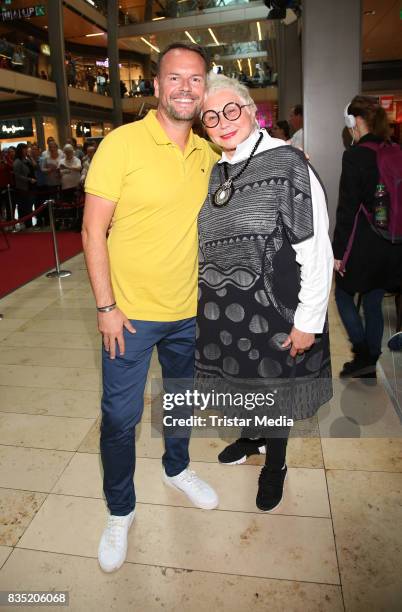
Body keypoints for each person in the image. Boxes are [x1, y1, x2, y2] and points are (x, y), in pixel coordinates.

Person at [82, 42, 219, 574]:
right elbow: (93, 229)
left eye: (196, 79)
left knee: (181, 399)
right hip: (130, 315)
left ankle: (176, 467)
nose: (186, 87)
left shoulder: (209, 155)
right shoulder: (122, 144)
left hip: (191, 312)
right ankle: (120, 510)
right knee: (120, 418)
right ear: (157, 86)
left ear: (204, 89)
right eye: (175, 78)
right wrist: (106, 306)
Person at [196, 74, 333, 511]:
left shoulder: (288, 163)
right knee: (243, 388)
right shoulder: (218, 169)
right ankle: (251, 438)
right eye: (211, 116)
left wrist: (308, 321)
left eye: (231, 110)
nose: (223, 121)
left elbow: (316, 248)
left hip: (275, 308)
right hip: (225, 311)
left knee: (275, 391)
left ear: (252, 111)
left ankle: (276, 464)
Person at [333, 96, 402, 378]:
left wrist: (337, 252)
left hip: (363, 242)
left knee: (342, 294)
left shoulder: (355, 155)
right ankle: (371, 359)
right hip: (392, 242)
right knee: (373, 300)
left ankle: (362, 354)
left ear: (355, 121)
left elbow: (348, 208)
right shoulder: (395, 150)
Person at [13, 143, 36, 228]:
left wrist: (30, 157)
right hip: (23, 187)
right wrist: (29, 179)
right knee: (24, 206)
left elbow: (34, 166)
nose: (26, 151)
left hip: (29, 186)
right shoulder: (17, 162)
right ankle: (25, 223)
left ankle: (29, 223)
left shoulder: (26, 159)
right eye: (24, 149)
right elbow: (17, 175)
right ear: (20, 150)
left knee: (29, 206)